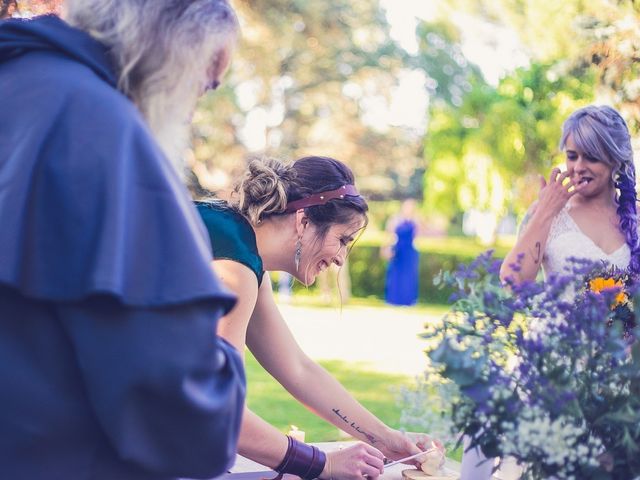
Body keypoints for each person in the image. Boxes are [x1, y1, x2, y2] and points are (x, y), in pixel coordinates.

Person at [0, 1, 246, 479]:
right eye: (207, 79)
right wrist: (227, 364)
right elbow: (182, 417)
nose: (199, 100)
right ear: (173, 47)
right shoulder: (100, 127)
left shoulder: (18, 83)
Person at [196, 157, 443, 480]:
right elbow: (220, 413)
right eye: (342, 239)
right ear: (303, 221)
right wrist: (321, 464)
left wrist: (386, 438)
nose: (341, 258)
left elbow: (298, 369)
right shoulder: (234, 266)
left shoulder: (242, 251)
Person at [500, 104, 639, 284]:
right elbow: (512, 282)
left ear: (616, 160)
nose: (579, 167)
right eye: (572, 156)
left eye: (591, 157)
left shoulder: (636, 217)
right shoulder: (545, 212)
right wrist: (545, 211)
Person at [383, 199, 420, 306]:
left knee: (409, 277)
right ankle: (394, 300)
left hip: (410, 252)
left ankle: (409, 300)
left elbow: (420, 235)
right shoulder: (395, 219)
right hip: (398, 251)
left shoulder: (416, 220)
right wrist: (387, 248)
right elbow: (389, 235)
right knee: (396, 276)